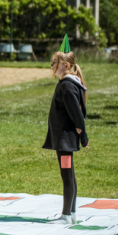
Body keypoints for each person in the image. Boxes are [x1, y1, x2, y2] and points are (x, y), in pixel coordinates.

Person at [43, 44, 89, 225]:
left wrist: (83, 134)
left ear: (67, 66)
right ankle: (71, 213)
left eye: (56, 62)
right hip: (63, 139)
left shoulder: (67, 86)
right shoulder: (66, 84)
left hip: (65, 140)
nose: (52, 65)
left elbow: (77, 114)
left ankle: (66, 215)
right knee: (69, 175)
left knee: (67, 175)